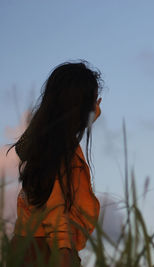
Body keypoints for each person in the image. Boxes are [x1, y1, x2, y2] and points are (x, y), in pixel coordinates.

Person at [9, 61, 102, 266]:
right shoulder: (60, 152)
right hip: (47, 250)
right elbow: (53, 206)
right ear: (79, 107)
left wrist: (88, 116)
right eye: (93, 100)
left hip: (30, 246)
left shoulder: (48, 141)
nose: (97, 105)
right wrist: (63, 250)